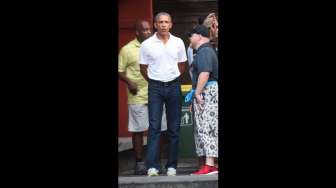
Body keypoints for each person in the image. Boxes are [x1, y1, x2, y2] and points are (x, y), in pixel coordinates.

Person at [139, 12, 188, 176]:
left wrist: (171, 77)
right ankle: (152, 166)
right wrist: (156, 79)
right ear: (155, 25)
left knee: (174, 128)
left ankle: (171, 166)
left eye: (166, 22)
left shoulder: (178, 42)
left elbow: (182, 64)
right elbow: (143, 68)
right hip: (155, 88)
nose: (163, 25)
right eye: (160, 22)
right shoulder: (146, 44)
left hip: (174, 86)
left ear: (171, 24)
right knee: (154, 127)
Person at [118, 20, 168, 175]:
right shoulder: (127, 49)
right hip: (138, 96)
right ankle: (139, 162)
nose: (148, 32)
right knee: (138, 130)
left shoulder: (157, 45)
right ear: (137, 32)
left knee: (160, 128)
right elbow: (120, 70)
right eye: (144, 30)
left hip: (157, 93)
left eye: (149, 30)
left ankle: (157, 161)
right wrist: (129, 81)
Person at [187, 25, 218, 175]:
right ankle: (210, 164)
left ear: (199, 36)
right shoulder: (205, 50)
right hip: (206, 91)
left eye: (191, 36)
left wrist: (198, 93)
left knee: (207, 128)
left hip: (207, 92)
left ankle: (210, 165)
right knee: (205, 127)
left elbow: (204, 73)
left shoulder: (204, 50)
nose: (189, 39)